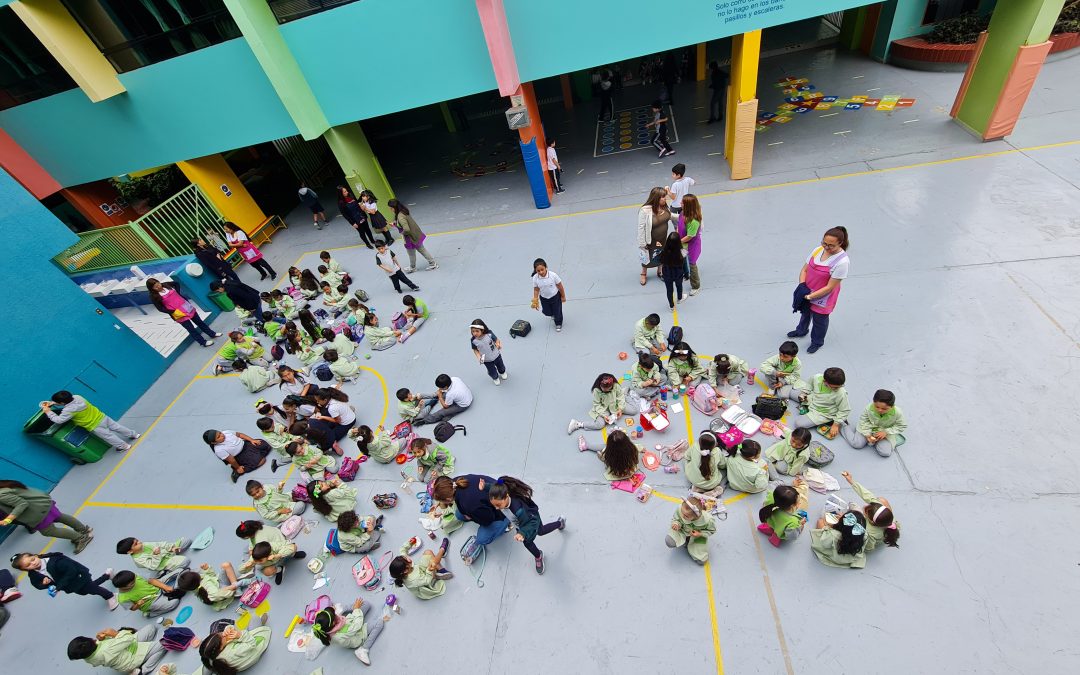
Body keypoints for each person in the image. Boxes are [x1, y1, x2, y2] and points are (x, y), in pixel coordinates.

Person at [789, 226, 850, 353]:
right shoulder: (817, 250)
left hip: (823, 297)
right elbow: (805, 269)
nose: (826, 247)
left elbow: (830, 287)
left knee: (819, 320)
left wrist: (811, 296)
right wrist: (802, 286)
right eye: (824, 243)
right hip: (807, 291)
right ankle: (801, 330)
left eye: (831, 245)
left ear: (840, 243)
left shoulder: (842, 262)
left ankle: (817, 341)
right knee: (805, 313)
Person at [485, 477, 564, 574]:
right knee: (535, 536)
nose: (496, 508)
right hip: (522, 523)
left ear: (506, 496)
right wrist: (485, 486)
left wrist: (522, 533)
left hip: (530, 520)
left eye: (498, 505)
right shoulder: (500, 493)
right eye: (494, 505)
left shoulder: (518, 510)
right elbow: (493, 488)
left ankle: (539, 554)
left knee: (534, 537)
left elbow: (531, 523)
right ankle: (559, 525)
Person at [1, 480, 94, 552]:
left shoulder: (1, 494)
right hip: (42, 502)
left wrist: (8, 520)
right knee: (59, 517)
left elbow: (21, 504)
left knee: (48, 531)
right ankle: (84, 530)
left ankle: (82, 538)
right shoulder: (4, 485)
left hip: (36, 511)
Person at [10, 551, 117, 609]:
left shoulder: (56, 561)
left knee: (92, 589)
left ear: (35, 555)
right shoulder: (33, 574)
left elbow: (71, 572)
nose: (33, 563)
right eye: (28, 565)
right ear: (24, 569)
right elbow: (36, 584)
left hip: (79, 576)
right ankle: (107, 575)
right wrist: (43, 584)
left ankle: (110, 596)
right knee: (85, 591)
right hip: (68, 585)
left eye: (32, 559)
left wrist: (58, 587)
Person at [41, 391, 140, 453]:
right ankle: (134, 434)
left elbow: (59, 420)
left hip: (94, 425)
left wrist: (48, 411)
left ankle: (124, 446)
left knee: (109, 436)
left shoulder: (68, 410)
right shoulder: (78, 397)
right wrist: (54, 403)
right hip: (102, 417)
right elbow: (70, 403)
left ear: (62, 403)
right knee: (117, 427)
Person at [311, 599, 391, 665]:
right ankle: (363, 650)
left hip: (350, 622)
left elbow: (345, 620)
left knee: (366, 603)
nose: (336, 615)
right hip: (358, 635)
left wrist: (354, 609)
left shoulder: (327, 626)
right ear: (333, 623)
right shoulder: (340, 636)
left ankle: (344, 609)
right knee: (379, 623)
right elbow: (357, 626)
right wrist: (356, 609)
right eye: (334, 615)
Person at [146, 278, 218, 347]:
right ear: (152, 289)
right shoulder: (154, 296)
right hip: (177, 313)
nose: (158, 286)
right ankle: (203, 342)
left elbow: (177, 283)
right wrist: (173, 311)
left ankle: (212, 334)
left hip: (186, 306)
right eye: (155, 287)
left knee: (199, 322)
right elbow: (160, 309)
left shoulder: (166, 285)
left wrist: (178, 293)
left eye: (158, 284)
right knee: (191, 329)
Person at [67, 625, 166, 674]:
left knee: (151, 628)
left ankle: (147, 649)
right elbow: (128, 639)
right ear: (90, 642)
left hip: (125, 649)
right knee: (165, 644)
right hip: (132, 657)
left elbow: (103, 646)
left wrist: (102, 639)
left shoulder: (87, 656)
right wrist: (115, 634)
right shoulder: (106, 650)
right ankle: (142, 670)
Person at [841, 471, 901, 551]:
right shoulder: (887, 518)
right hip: (883, 531)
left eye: (866, 513)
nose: (865, 506)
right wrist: (851, 481)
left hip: (873, 537)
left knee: (849, 516)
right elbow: (868, 495)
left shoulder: (868, 532)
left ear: (871, 521)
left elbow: (868, 547)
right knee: (881, 500)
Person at [235, 520, 306, 583]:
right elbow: (241, 570)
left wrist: (277, 555)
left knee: (261, 569)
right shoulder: (257, 529)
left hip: (279, 546)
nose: (257, 562)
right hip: (273, 546)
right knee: (259, 567)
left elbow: (292, 547)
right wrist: (245, 566)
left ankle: (291, 556)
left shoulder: (271, 546)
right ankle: (280, 568)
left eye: (259, 561)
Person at [842, 389, 907, 458]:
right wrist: (867, 435)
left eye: (884, 409)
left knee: (886, 453)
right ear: (873, 402)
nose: (879, 410)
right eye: (877, 407)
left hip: (884, 432)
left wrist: (886, 432)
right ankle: (845, 425)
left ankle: (874, 442)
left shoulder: (897, 412)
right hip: (867, 428)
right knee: (856, 444)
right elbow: (863, 421)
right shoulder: (869, 408)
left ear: (892, 406)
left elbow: (902, 426)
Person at [791, 367, 850, 439]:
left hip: (824, 413)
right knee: (791, 394)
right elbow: (809, 384)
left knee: (798, 423)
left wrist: (836, 424)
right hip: (814, 400)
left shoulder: (841, 393)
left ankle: (835, 420)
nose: (837, 389)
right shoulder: (816, 377)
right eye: (834, 387)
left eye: (840, 386)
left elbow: (845, 410)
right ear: (824, 381)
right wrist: (804, 393)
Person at [567, 373, 635, 433]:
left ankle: (624, 393)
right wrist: (604, 416)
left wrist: (620, 409)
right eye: (604, 389)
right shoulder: (596, 390)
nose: (606, 390)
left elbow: (620, 396)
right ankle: (578, 424)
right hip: (604, 409)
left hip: (615, 405)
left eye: (609, 389)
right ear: (600, 385)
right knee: (600, 424)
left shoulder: (615, 385)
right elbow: (597, 404)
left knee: (634, 411)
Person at [388, 537, 452, 600]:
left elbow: (403, 549)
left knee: (428, 552)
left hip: (420, 571)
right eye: (408, 562)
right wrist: (429, 570)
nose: (409, 559)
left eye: (406, 558)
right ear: (405, 571)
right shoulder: (413, 580)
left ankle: (439, 567)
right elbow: (427, 581)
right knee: (433, 562)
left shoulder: (403, 562)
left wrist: (410, 543)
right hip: (426, 582)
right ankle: (442, 551)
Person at [175, 561, 252, 611]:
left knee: (225, 565)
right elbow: (217, 595)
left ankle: (235, 585)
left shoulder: (196, 584)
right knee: (227, 566)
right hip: (223, 590)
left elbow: (212, 577)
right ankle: (237, 588)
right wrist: (232, 587)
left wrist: (207, 569)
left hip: (218, 584)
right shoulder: (208, 587)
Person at [199, 623, 273, 674]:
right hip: (251, 656)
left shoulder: (216, 653)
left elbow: (227, 635)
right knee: (255, 618)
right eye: (222, 636)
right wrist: (240, 635)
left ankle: (209, 670)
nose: (223, 633)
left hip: (233, 666)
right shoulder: (234, 652)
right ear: (221, 647)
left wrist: (229, 628)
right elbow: (252, 644)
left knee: (208, 664)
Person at [202, 429, 271, 483]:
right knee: (262, 461)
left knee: (266, 445)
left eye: (220, 432)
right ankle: (238, 471)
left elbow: (240, 435)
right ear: (214, 442)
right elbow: (231, 459)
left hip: (246, 445)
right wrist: (238, 468)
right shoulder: (219, 450)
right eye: (218, 437)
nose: (222, 435)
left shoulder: (226, 432)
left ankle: (256, 456)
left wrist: (252, 440)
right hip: (241, 455)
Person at [387, 199, 438, 271]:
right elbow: (404, 223)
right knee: (422, 250)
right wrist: (395, 224)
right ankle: (432, 263)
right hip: (416, 234)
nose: (390, 209)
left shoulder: (400, 216)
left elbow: (406, 229)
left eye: (390, 208)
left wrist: (402, 233)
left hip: (410, 238)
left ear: (394, 208)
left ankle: (413, 267)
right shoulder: (404, 210)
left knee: (411, 253)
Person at [757, 479, 809, 547]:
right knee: (801, 527)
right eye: (798, 502)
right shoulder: (793, 521)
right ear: (792, 506)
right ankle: (777, 536)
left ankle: (770, 529)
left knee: (776, 525)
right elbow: (792, 536)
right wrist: (800, 525)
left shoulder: (771, 497)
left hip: (771, 522)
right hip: (781, 529)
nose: (800, 503)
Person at [111, 569, 182, 618]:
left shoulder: (134, 577)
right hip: (151, 602)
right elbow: (132, 608)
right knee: (174, 603)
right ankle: (150, 613)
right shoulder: (122, 599)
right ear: (123, 587)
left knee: (180, 571)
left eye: (134, 579)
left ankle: (169, 591)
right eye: (132, 583)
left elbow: (151, 581)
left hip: (156, 586)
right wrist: (138, 604)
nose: (135, 581)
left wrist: (165, 587)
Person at [666, 495, 715, 564]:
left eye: (686, 516)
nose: (682, 516)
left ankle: (693, 545)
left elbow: (711, 531)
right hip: (682, 530)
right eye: (682, 512)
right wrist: (676, 524)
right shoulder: (681, 509)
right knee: (669, 541)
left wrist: (700, 534)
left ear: (696, 517)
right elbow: (676, 518)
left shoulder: (708, 520)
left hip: (697, 537)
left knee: (701, 561)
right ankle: (685, 539)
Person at [637, 187, 671, 286]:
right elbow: (641, 227)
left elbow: (670, 216)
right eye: (663, 197)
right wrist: (642, 243)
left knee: (661, 254)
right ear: (656, 198)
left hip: (663, 238)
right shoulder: (645, 210)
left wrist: (682, 217)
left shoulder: (664, 206)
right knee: (647, 256)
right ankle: (643, 273)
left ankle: (660, 271)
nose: (665, 199)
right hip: (650, 240)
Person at [115, 537, 191, 577]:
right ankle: (167, 570)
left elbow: (160, 544)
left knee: (186, 540)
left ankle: (175, 553)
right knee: (185, 561)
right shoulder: (138, 559)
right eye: (136, 544)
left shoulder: (144, 544)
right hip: (164, 562)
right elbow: (153, 566)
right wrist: (156, 555)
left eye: (137, 540)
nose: (140, 542)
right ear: (130, 551)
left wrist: (171, 548)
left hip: (167, 552)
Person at [530, 258, 566, 332]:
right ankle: (552, 314)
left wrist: (563, 296)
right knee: (547, 312)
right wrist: (535, 301)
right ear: (535, 270)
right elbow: (536, 289)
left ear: (546, 267)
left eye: (542, 269)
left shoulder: (553, 275)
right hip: (544, 298)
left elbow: (560, 286)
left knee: (557, 311)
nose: (541, 272)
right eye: (538, 271)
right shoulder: (535, 278)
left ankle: (558, 323)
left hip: (555, 297)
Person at [678, 194, 703, 296]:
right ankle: (685, 274)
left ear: (688, 205)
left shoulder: (694, 221)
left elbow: (690, 236)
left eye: (682, 202)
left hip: (691, 246)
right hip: (682, 244)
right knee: (682, 258)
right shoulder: (682, 213)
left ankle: (696, 286)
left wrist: (677, 242)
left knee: (692, 264)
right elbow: (679, 226)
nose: (680, 203)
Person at [470, 319, 507, 385]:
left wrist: (498, 344)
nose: (474, 333)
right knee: (492, 371)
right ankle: (495, 378)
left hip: (497, 355)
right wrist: (479, 357)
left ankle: (502, 372)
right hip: (487, 360)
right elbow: (475, 350)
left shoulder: (489, 334)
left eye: (477, 331)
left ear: (482, 330)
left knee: (501, 366)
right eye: (473, 331)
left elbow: (497, 340)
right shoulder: (473, 340)